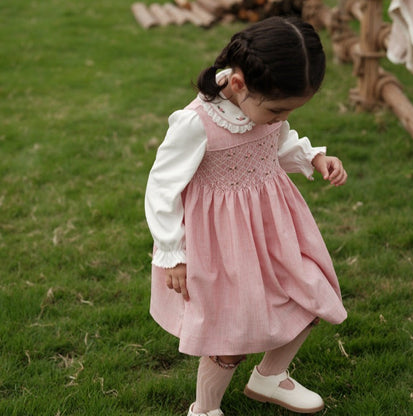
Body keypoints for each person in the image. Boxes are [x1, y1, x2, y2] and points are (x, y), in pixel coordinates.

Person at [145, 16, 348, 415]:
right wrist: (173, 253)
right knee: (231, 334)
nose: (279, 117)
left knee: (310, 297)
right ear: (238, 84)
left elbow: (276, 141)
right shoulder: (196, 124)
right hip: (223, 243)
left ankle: (270, 376)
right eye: (276, 109)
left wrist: (313, 157)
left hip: (274, 225)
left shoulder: (261, 108)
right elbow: (162, 187)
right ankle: (204, 409)